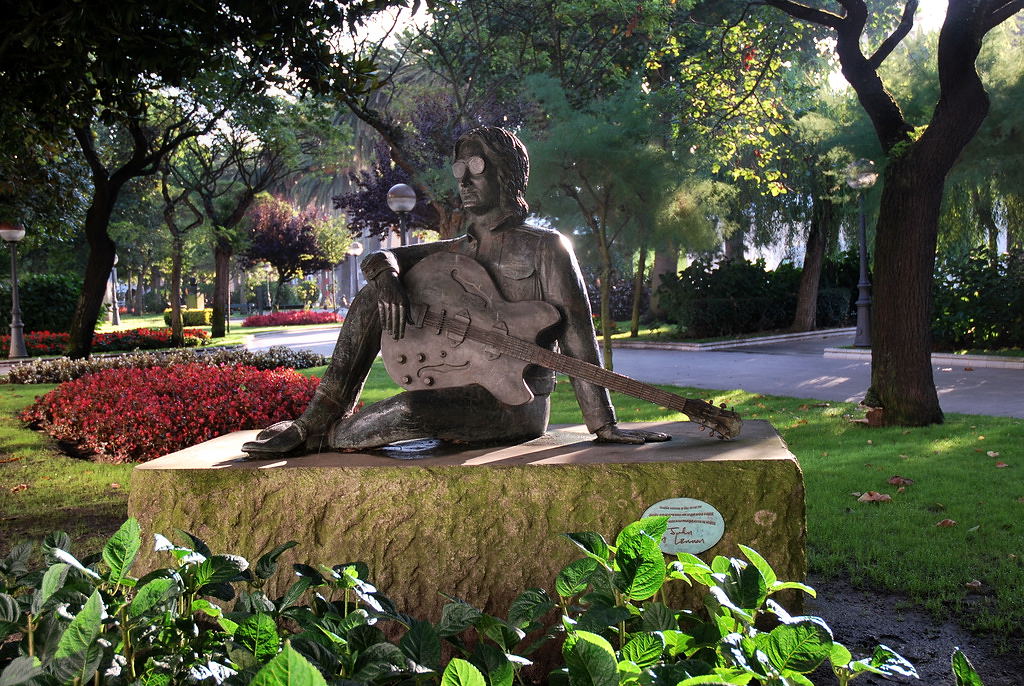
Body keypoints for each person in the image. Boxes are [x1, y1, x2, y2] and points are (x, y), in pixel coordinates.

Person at [242, 126, 668, 456]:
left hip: (514, 403)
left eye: (477, 169)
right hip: (454, 384)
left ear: (508, 175)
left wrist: (602, 423)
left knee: (407, 412)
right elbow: (384, 259)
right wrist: (387, 274)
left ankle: (327, 435)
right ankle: (319, 418)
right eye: (459, 171)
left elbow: (578, 338)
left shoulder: (546, 247)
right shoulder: (454, 248)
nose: (464, 181)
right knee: (375, 293)